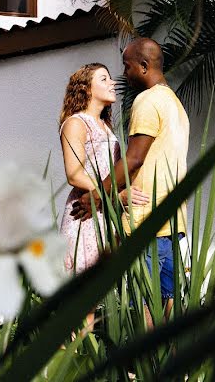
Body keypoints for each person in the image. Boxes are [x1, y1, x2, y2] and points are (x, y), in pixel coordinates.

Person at [71, 39, 190, 322]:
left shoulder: (147, 101)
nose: (124, 74)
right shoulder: (175, 105)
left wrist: (99, 195)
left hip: (145, 222)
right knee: (169, 308)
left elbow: (134, 158)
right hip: (174, 223)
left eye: (127, 66)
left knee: (146, 309)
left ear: (144, 66)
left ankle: (147, 367)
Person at [58, 63, 151, 331]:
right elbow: (74, 175)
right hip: (84, 215)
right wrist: (117, 195)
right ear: (86, 87)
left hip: (106, 215)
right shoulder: (75, 123)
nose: (113, 83)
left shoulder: (106, 126)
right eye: (104, 78)